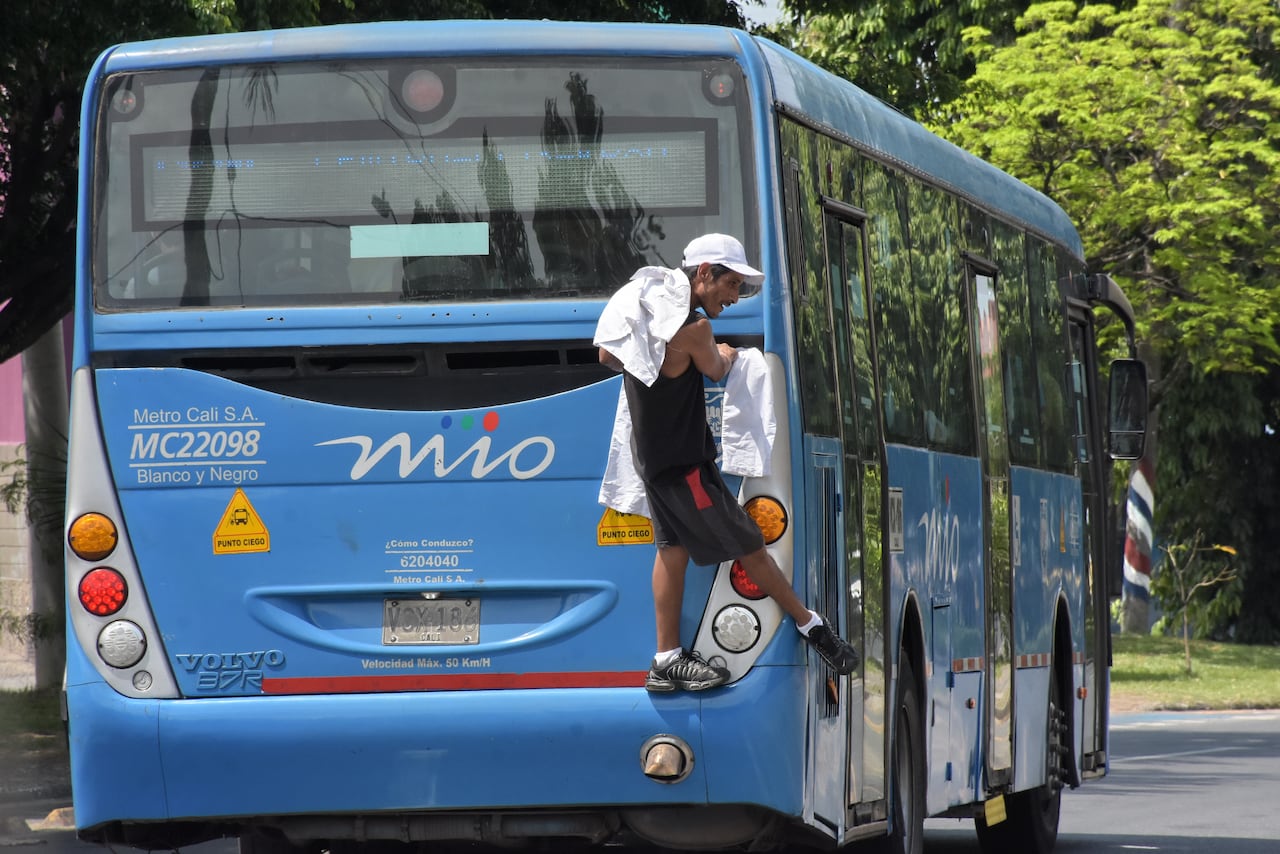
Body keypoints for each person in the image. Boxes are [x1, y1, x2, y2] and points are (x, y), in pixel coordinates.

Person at [595, 233, 860, 692]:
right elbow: (716, 369)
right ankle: (811, 626)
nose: (735, 298)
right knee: (751, 545)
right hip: (685, 467)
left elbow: (606, 355)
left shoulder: (642, 309)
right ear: (703, 273)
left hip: (652, 461)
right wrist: (726, 352)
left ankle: (665, 660)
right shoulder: (693, 329)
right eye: (732, 284)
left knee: (671, 552)